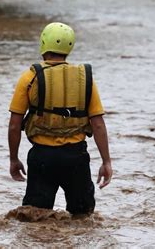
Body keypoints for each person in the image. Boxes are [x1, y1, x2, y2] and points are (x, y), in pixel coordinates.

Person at [8, 22, 113, 216]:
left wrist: (14, 159)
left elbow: (15, 125)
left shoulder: (29, 77)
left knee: (34, 218)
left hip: (42, 158)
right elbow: (98, 124)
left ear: (43, 43)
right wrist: (106, 161)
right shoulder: (85, 79)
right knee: (83, 218)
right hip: (76, 159)